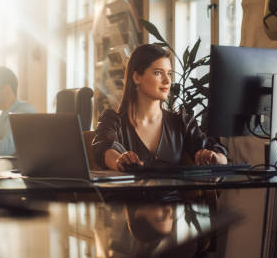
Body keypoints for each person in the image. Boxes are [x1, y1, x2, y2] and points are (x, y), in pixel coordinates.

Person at [91, 44, 228, 171]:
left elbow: (218, 153)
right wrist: (119, 160)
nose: (167, 81)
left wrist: (215, 158)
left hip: (174, 198)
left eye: (169, 73)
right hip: (127, 197)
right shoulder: (112, 120)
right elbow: (104, 149)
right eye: (158, 72)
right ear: (137, 77)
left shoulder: (181, 122)